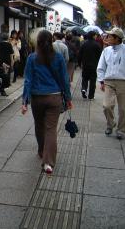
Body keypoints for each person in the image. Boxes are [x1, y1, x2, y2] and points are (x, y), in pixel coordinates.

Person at [21, 30, 72, 174]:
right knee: (51, 129)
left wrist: (24, 101)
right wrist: (68, 98)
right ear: (52, 41)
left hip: (37, 98)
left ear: (37, 42)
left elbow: (28, 80)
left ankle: (41, 151)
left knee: (39, 125)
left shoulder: (32, 58)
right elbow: (64, 80)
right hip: (54, 97)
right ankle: (48, 163)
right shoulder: (58, 58)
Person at [97, 27, 125, 140]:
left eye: (110, 36)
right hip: (109, 81)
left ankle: (121, 129)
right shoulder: (106, 51)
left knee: (122, 108)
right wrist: (101, 80)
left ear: (117, 38)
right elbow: (101, 67)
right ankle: (110, 124)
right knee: (107, 106)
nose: (107, 38)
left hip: (123, 82)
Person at [78, 31, 102, 100]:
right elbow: (100, 56)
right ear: (93, 36)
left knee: (85, 78)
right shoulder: (97, 45)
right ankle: (91, 96)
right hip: (94, 66)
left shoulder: (84, 44)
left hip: (85, 65)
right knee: (93, 81)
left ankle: (84, 89)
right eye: (95, 35)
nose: (96, 36)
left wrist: (79, 64)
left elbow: (80, 55)